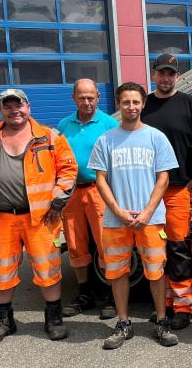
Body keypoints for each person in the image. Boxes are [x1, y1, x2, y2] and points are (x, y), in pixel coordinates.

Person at [0, 89, 77, 345]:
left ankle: (53, 319)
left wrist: (58, 200)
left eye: (19, 105)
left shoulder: (49, 135)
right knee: (1, 271)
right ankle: (4, 322)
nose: (15, 110)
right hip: (1, 218)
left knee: (48, 268)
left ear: (28, 106)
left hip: (41, 218)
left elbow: (68, 168)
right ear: (1, 109)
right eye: (8, 106)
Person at [89, 82, 180, 349]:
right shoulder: (106, 139)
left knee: (155, 271)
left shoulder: (156, 137)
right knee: (117, 273)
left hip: (150, 219)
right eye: (126, 102)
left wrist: (148, 211)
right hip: (116, 221)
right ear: (118, 104)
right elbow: (101, 179)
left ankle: (161, 322)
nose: (131, 107)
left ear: (143, 104)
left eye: (136, 102)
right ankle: (123, 322)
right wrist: (118, 211)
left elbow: (163, 177)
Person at [141, 53, 192, 330]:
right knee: (156, 248)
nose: (165, 78)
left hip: (179, 189)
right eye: (161, 72)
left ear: (177, 76)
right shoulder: (144, 105)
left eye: (171, 73)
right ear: (153, 74)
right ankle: (163, 303)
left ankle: (183, 305)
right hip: (149, 191)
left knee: (180, 247)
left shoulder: (189, 104)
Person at [58, 78, 119, 319]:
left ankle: (109, 295)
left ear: (98, 98)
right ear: (74, 98)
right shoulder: (64, 125)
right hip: (71, 192)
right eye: (82, 97)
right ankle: (83, 293)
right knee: (75, 244)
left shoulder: (109, 124)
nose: (87, 102)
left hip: (99, 191)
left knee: (105, 244)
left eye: (91, 97)